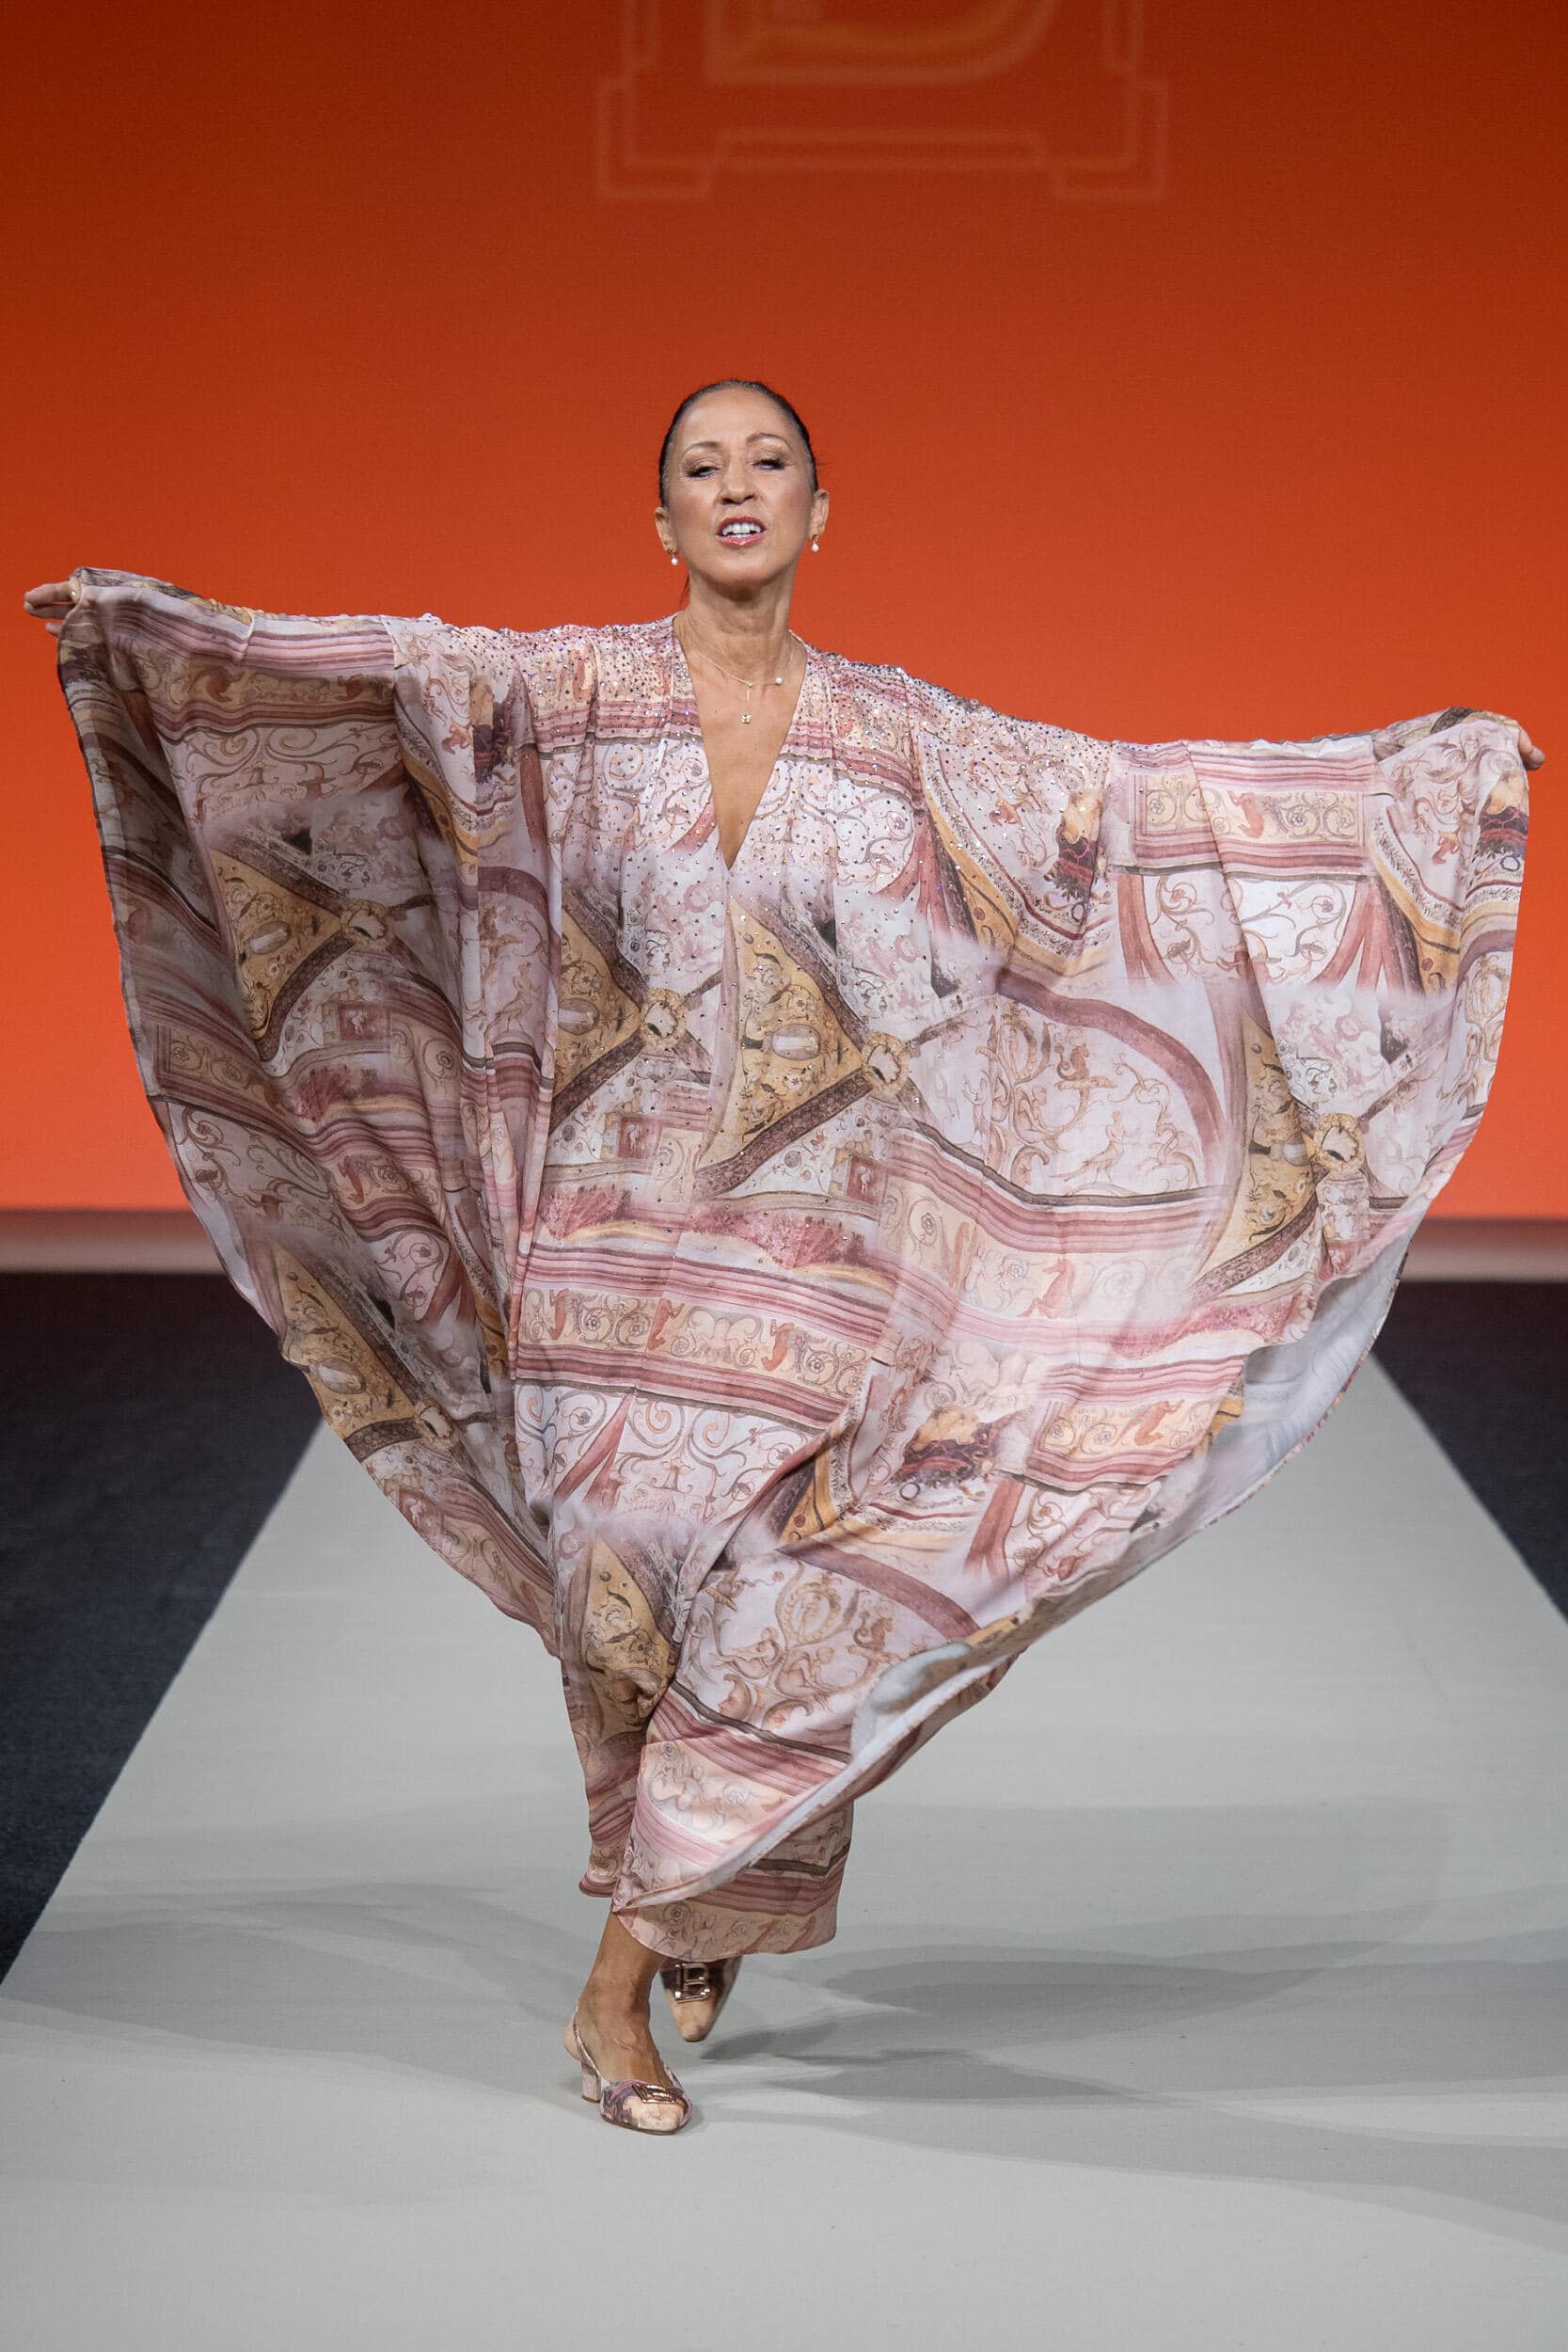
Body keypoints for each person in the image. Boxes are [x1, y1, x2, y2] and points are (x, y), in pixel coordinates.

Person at [24, 378, 1544, 2137]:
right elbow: (365, 689)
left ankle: (618, 1986)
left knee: (793, 1607)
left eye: (769, 464)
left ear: (823, 514)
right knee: (625, 1600)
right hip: (601, 1246)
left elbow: (1136, 817)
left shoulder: (909, 742)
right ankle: (708, 1882)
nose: (735, 486)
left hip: (825, 1266)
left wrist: (1423, 785)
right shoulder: (562, 701)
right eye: (701, 466)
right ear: (661, 520)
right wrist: (149, 635)